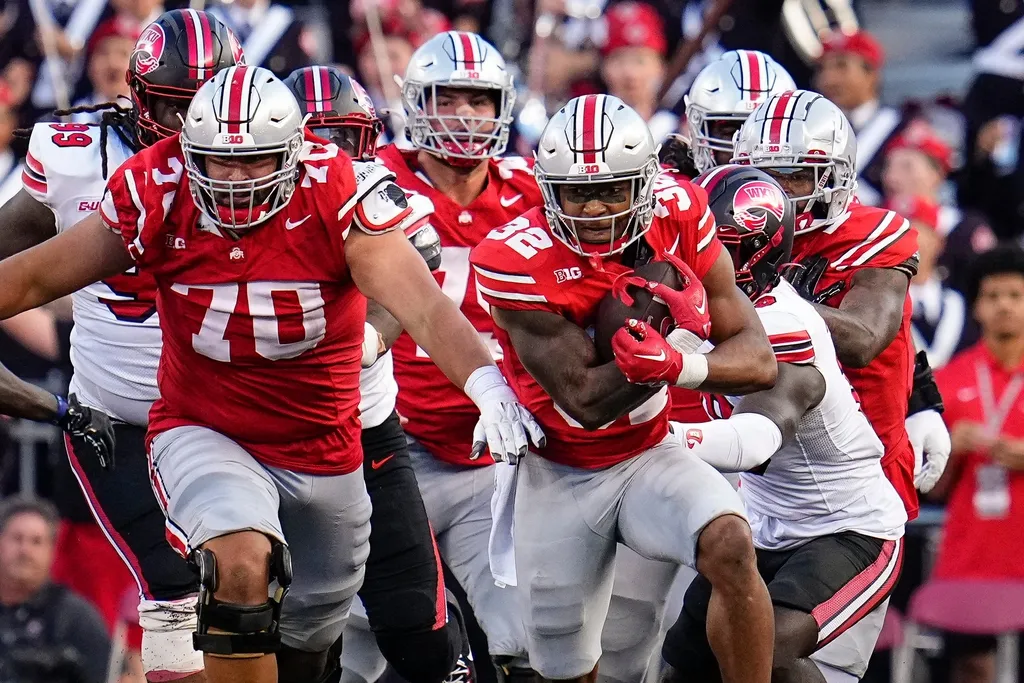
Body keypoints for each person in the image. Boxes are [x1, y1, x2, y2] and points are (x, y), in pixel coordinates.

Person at [0, 63, 543, 683]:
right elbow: (35, 277)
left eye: (253, 162)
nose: (234, 180)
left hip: (324, 441)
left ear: (295, 153)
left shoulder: (337, 190)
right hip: (205, 428)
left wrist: (486, 385)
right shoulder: (157, 186)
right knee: (236, 564)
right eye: (219, 162)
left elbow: (422, 305)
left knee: (314, 635)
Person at [470, 94, 778, 683]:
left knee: (731, 542)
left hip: (649, 453)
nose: (594, 209)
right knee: (565, 668)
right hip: (560, 470)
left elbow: (758, 359)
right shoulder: (514, 257)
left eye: (611, 190)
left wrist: (678, 363)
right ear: (548, 191)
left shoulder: (680, 212)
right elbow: (585, 401)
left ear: (645, 183)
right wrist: (672, 347)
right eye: (577, 193)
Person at [0, 10, 242, 682]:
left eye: (203, 104)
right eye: (172, 104)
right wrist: (49, 405)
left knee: (255, 583)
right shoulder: (77, 159)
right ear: (139, 95)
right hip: (117, 416)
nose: (187, 123)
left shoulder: (264, 163)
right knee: (172, 585)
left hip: (227, 413)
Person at [659, 164, 907, 683]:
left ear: (750, 251)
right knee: (685, 667)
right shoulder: (724, 308)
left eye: (704, 245)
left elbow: (754, 442)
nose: (685, 258)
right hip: (763, 523)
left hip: (845, 528)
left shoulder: (785, 325)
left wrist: (655, 437)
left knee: (765, 657)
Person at [284, 64, 473, 683]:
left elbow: (414, 284)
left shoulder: (382, 198)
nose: (330, 156)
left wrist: (367, 338)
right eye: (316, 139)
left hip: (362, 428)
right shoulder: (233, 205)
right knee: (290, 630)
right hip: (261, 439)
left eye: (343, 139)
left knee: (419, 628)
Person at [380, 31, 544, 680]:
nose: (466, 116)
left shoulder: (535, 189)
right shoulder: (373, 184)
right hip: (392, 445)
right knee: (371, 640)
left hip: (499, 451)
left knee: (523, 639)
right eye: (448, 100)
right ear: (417, 104)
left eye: (479, 101)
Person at [731, 89, 948, 517]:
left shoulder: (871, 233)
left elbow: (867, 339)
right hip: (753, 468)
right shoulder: (722, 222)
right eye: (765, 174)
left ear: (834, 174)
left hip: (857, 472)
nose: (778, 191)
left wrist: (773, 296)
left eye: (795, 175)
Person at [930, 245, 1024, 683]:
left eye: (1016, 295)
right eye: (993, 296)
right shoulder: (948, 379)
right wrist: (951, 450)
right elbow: (931, 489)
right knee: (970, 668)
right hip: (970, 555)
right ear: (976, 307)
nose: (1004, 305)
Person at [0, 496, 112, 683]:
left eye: (36, 542)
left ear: (52, 550)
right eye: (17, 539)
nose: (25, 551)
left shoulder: (76, 617)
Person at [811, 29, 904, 206]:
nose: (828, 79)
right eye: (822, 69)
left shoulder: (902, 128)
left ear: (871, 75)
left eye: (841, 66)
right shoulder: (809, 131)